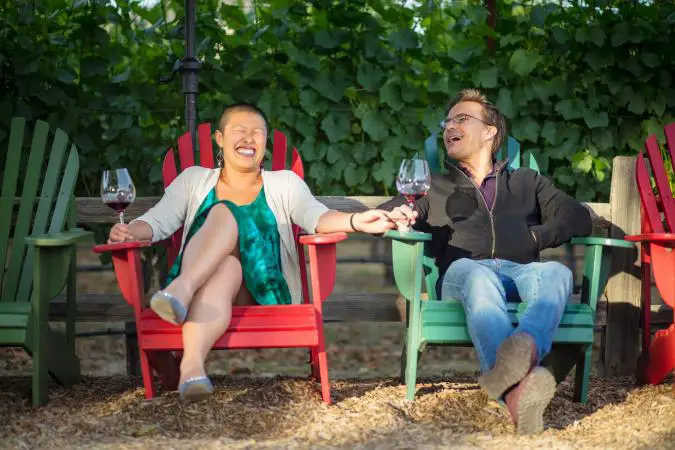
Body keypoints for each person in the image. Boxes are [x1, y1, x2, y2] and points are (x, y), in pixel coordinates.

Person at [107, 103, 397, 402]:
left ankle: (181, 290)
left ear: (265, 142)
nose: (248, 139)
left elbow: (318, 217)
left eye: (256, 132)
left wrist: (356, 220)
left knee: (224, 212)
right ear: (220, 139)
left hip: (264, 287)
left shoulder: (284, 183)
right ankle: (191, 367)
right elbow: (156, 222)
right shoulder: (194, 179)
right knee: (227, 269)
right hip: (213, 282)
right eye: (239, 131)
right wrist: (129, 230)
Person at [382, 89, 592, 435]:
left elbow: (577, 215)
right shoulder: (434, 185)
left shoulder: (528, 181)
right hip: (463, 275)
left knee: (557, 272)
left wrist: (538, 237)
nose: (450, 126)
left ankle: (516, 371)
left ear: (491, 131)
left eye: (461, 119)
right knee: (477, 276)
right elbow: (391, 211)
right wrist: (397, 215)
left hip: (520, 272)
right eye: (447, 121)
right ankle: (521, 373)